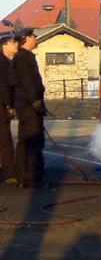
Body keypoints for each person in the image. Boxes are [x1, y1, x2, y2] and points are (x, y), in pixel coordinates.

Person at [10, 27, 46, 187]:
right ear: (26, 38)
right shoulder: (24, 58)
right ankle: (32, 179)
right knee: (33, 141)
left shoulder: (21, 57)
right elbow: (27, 81)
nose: (35, 38)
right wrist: (35, 101)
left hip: (24, 104)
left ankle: (23, 178)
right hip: (29, 105)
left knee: (24, 140)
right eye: (33, 36)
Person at [0, 31, 17, 184]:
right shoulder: (4, 63)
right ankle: (10, 174)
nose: (15, 45)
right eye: (12, 43)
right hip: (1, 108)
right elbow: (5, 87)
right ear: (4, 45)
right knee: (5, 142)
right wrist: (10, 105)